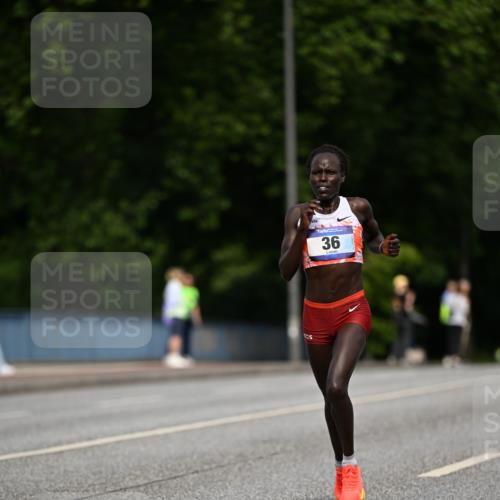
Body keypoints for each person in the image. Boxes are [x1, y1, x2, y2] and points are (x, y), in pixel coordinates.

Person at [279, 144, 400, 500]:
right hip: (315, 314)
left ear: (342, 177)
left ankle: (351, 465)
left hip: (352, 309)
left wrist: (384, 248)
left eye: (330, 172)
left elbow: (375, 236)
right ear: (309, 178)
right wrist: (302, 230)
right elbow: (286, 272)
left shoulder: (358, 208)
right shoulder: (296, 215)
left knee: (336, 387)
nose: (323, 179)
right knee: (329, 399)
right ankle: (341, 470)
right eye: (317, 172)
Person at [162, 267, 192, 369]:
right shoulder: (176, 284)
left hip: (173, 314)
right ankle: (173, 356)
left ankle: (173, 356)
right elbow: (175, 301)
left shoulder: (172, 284)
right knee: (177, 336)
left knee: (174, 335)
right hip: (177, 314)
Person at [388, 274, 417, 365]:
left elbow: (408, 307)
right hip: (400, 317)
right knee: (399, 338)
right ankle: (396, 356)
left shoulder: (408, 294)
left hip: (404, 317)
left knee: (403, 338)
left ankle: (400, 357)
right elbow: (397, 307)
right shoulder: (398, 295)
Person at [442, 278, 470, 367]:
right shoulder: (460, 298)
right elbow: (465, 310)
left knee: (453, 339)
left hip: (453, 321)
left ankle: (453, 356)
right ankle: (454, 357)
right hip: (458, 321)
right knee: (456, 340)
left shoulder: (453, 297)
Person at [178, 272, 202, 363]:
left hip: (188, 316)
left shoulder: (194, 291)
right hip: (180, 315)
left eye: (191, 279)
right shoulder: (179, 289)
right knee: (178, 336)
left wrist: (198, 318)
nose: (189, 281)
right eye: (188, 279)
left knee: (187, 336)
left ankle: (186, 354)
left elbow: (195, 305)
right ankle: (178, 355)